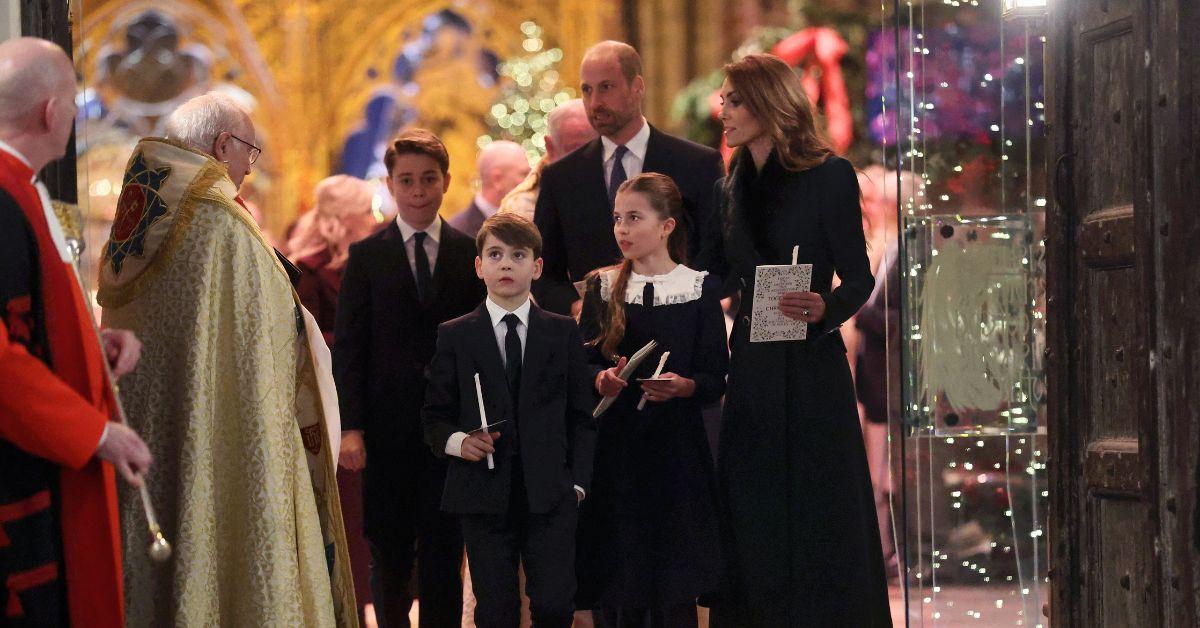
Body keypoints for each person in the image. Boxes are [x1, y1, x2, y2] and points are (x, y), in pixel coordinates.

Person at [97, 92, 357, 626]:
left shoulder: (138, 217)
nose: (246, 169)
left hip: (145, 438)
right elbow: (271, 335)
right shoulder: (222, 225)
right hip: (217, 441)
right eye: (249, 154)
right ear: (223, 145)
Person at [699, 54, 890, 625]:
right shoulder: (727, 188)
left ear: (767, 102)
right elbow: (715, 277)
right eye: (725, 99)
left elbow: (859, 278)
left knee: (819, 502)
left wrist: (825, 307)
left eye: (734, 99)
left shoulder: (829, 175)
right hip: (754, 363)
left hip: (811, 364)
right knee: (754, 502)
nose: (723, 111)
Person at [0, 36, 152, 628]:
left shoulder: (23, 190)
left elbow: (29, 325)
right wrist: (94, 433)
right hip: (23, 477)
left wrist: (91, 349)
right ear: (50, 111)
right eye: (73, 100)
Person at [333, 129, 484, 627]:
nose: (418, 191)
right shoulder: (367, 256)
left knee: (444, 548)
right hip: (386, 426)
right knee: (390, 551)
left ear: (446, 182)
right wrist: (351, 427)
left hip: (451, 426)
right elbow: (351, 347)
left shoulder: (469, 254)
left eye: (428, 179)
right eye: (407, 181)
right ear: (390, 185)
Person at [422, 212, 597, 628]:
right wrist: (458, 441)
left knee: (555, 605)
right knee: (496, 611)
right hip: (483, 495)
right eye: (495, 254)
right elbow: (434, 415)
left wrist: (577, 486)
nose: (505, 264)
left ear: (536, 267)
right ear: (479, 266)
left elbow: (581, 416)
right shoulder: (455, 335)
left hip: (551, 495)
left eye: (518, 255)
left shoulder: (561, 332)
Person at [576, 174, 727, 627]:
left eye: (634, 218)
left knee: (671, 578)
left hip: (675, 452)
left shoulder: (697, 289)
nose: (622, 229)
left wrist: (684, 386)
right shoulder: (603, 289)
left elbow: (715, 375)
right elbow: (579, 367)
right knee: (619, 576)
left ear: (666, 226)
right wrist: (601, 378)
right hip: (616, 453)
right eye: (618, 218)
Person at [534, 41, 724, 316]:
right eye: (586, 90)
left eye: (606, 87)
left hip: (680, 327)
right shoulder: (560, 177)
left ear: (637, 87)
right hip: (597, 342)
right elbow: (544, 272)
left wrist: (687, 300)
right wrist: (579, 308)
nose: (595, 102)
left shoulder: (697, 164)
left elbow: (717, 255)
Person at [289, 174, 381, 622]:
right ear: (347, 217)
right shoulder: (307, 268)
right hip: (331, 409)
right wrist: (354, 339)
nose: (373, 219)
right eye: (366, 211)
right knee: (345, 519)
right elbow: (299, 340)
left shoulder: (372, 261)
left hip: (369, 400)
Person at [498, 98, 596, 221]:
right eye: (576, 151)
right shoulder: (524, 211)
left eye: (596, 148)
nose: (590, 160)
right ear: (550, 147)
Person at [450, 140, 530, 236]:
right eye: (524, 174)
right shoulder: (459, 233)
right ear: (497, 180)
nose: (531, 181)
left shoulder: (529, 222)